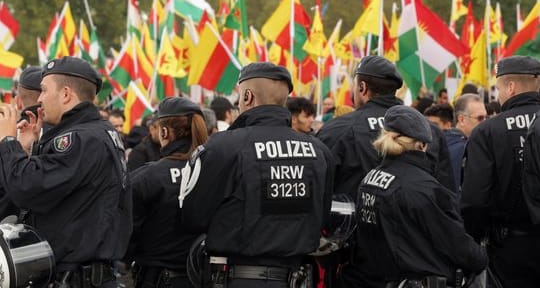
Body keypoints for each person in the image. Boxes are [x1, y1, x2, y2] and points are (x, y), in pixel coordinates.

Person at [182, 62, 335, 288]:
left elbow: (193, 217)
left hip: (240, 277)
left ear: (248, 97)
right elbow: (322, 217)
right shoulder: (319, 151)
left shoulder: (224, 147)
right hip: (297, 276)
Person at [316, 56, 455, 287]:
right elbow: (447, 202)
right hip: (416, 262)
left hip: (357, 264)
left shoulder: (336, 130)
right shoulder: (430, 131)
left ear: (362, 87)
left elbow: (320, 200)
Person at [0, 56, 132, 288]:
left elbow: (27, 189)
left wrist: (9, 143)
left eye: (43, 90)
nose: (39, 99)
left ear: (66, 94)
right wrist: (30, 146)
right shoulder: (98, 132)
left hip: (77, 278)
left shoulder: (80, 139)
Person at [356, 105, 487, 286]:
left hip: (380, 279)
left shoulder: (369, 179)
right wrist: (482, 257)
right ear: (421, 144)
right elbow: (456, 244)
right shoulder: (423, 188)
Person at [461, 56, 540, 288]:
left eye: (498, 89)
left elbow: (474, 201)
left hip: (509, 251)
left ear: (511, 87)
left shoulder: (488, 131)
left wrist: (474, 243)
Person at [127, 97, 208, 288]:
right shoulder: (218, 171)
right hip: (204, 277)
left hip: (157, 278)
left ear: (164, 131)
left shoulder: (147, 177)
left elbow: (126, 234)